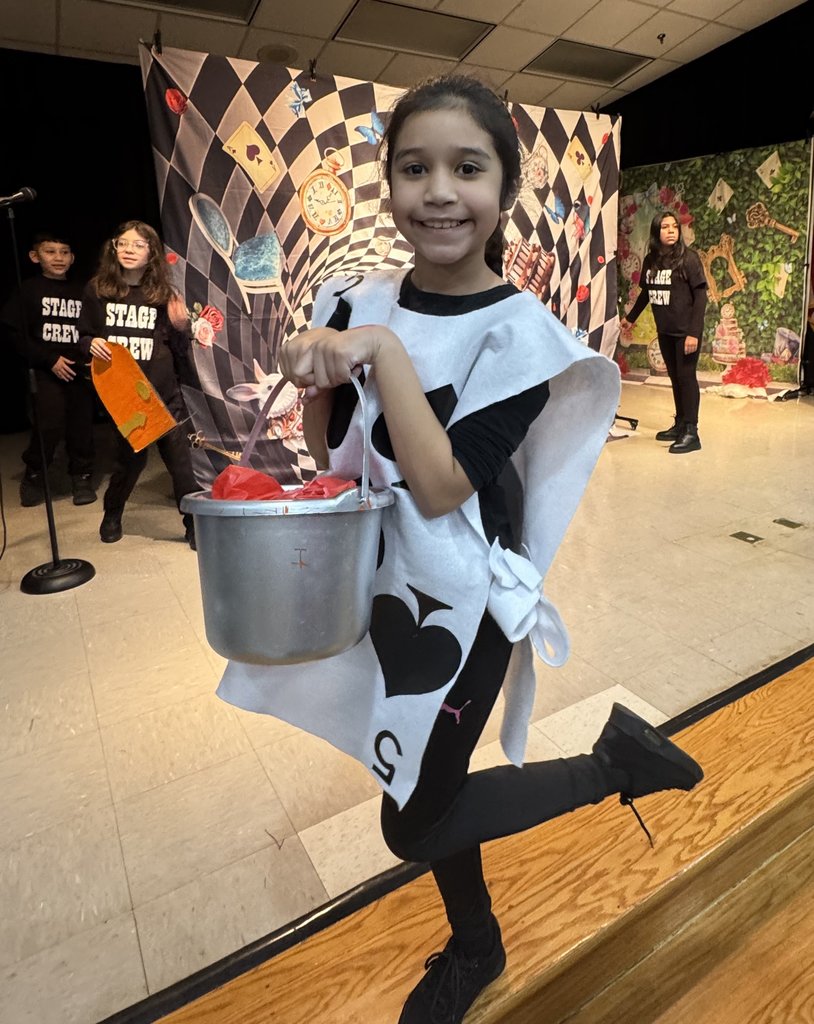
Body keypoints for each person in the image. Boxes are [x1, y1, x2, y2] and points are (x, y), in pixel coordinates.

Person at [216, 75, 704, 1024]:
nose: (439, 191)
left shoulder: (523, 338)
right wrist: (315, 367)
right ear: (390, 185)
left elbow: (441, 485)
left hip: (466, 602)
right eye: (414, 168)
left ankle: (615, 765)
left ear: (503, 190)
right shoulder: (358, 298)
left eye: (466, 168)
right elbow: (336, 455)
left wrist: (380, 356)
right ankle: (477, 946)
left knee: (414, 820)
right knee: (417, 775)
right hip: (382, 586)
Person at [77, 220, 198, 547]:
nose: (129, 250)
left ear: (152, 253)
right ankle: (113, 512)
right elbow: (83, 334)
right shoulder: (97, 289)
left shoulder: (163, 294)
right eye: (124, 243)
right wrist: (89, 343)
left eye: (139, 245)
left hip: (164, 393)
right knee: (131, 463)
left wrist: (182, 326)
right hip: (126, 396)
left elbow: (179, 347)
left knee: (181, 465)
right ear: (114, 248)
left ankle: (192, 524)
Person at [0, 232, 96, 506]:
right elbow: (15, 334)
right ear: (35, 256)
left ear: (73, 257)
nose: (58, 257)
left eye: (64, 252)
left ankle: (82, 475)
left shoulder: (83, 290)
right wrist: (48, 359)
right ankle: (34, 472)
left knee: (82, 425)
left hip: (79, 370)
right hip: (46, 369)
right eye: (50, 251)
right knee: (50, 422)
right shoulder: (28, 289)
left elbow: (94, 327)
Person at [620, 211, 707, 454]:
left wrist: (694, 333)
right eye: (665, 227)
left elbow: (701, 298)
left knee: (687, 378)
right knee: (675, 378)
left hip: (685, 333)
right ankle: (680, 424)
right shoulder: (651, 262)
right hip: (666, 331)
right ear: (657, 231)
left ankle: (692, 431)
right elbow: (647, 293)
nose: (671, 231)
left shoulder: (689, 259)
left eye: (674, 227)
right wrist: (630, 318)